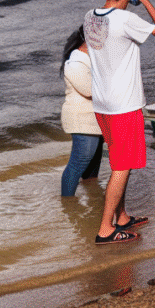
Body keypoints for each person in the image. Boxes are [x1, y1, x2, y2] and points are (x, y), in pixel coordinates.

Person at [83, 0, 155, 244]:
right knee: (122, 167)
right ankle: (105, 228)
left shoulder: (90, 17)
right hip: (123, 105)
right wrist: (145, 0)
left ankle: (121, 217)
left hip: (102, 104)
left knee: (119, 162)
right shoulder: (125, 19)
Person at [59, 26, 104, 197]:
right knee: (79, 163)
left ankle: (93, 199)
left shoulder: (91, 59)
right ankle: (68, 202)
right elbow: (90, 90)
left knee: (92, 168)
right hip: (83, 121)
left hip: (95, 121)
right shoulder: (76, 63)